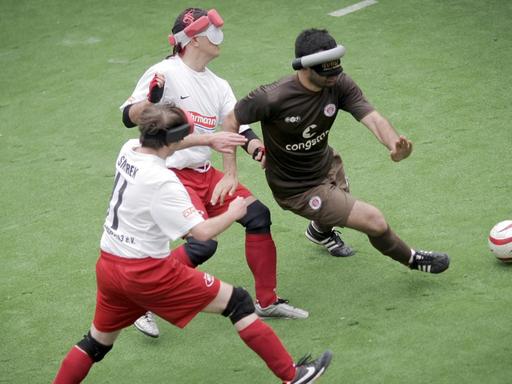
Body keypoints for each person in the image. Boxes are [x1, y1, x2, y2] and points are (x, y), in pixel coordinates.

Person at [53, 104, 332, 384]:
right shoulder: (164, 181)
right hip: (147, 274)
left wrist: (209, 139)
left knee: (96, 343)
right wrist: (234, 211)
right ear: (173, 140)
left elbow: (173, 141)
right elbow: (201, 232)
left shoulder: (128, 150)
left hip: (109, 267)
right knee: (238, 302)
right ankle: (292, 375)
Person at [120, 8, 308, 338]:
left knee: (258, 215)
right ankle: (142, 301)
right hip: (172, 176)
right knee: (203, 245)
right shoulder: (164, 73)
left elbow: (236, 125)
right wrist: (150, 103)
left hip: (207, 175)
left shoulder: (218, 84)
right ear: (192, 39)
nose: (220, 38)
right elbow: (128, 115)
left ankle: (267, 300)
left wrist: (256, 149)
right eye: (212, 32)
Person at [221, 28, 450, 274]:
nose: (333, 76)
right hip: (297, 188)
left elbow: (372, 117)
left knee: (337, 206)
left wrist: (394, 144)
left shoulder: (338, 82)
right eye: (325, 71)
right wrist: (231, 171)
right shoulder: (272, 98)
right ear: (305, 68)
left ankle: (318, 232)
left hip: (328, 164)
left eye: (336, 67)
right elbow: (231, 120)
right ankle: (413, 259)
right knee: (374, 220)